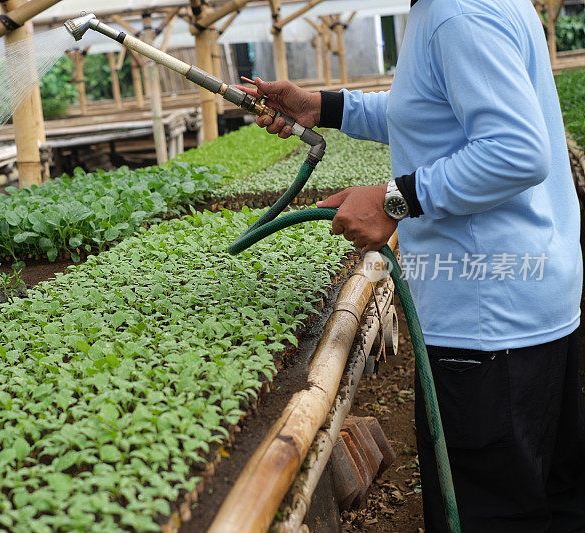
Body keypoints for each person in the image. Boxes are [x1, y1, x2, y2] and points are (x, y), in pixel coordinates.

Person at [238, 0, 585, 531]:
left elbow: (516, 152)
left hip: (486, 327)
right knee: (550, 503)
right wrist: (323, 107)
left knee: (492, 515)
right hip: (531, 306)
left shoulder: (454, 13)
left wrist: (392, 201)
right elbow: (429, 111)